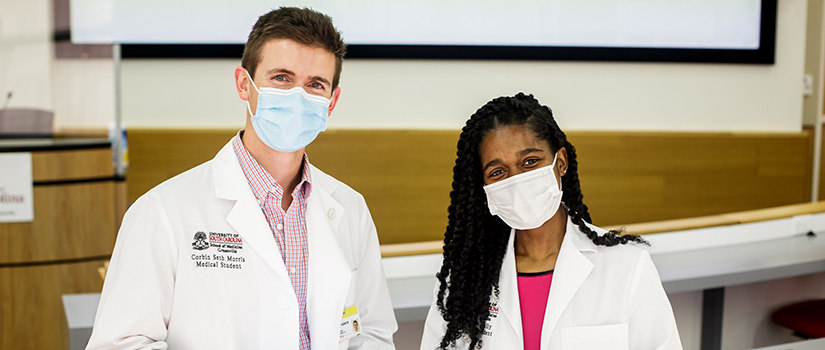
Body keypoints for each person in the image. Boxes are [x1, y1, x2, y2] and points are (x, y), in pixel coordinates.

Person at [87, 7, 397, 349]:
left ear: (332, 101)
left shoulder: (350, 208)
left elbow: (371, 334)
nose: (298, 96)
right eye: (281, 78)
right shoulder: (162, 211)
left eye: (315, 84)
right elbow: (120, 343)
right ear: (243, 84)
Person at [420, 93, 681, 349]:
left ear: (561, 162)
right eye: (498, 172)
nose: (516, 180)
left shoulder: (626, 265)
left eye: (530, 161)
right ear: (484, 187)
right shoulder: (464, 279)